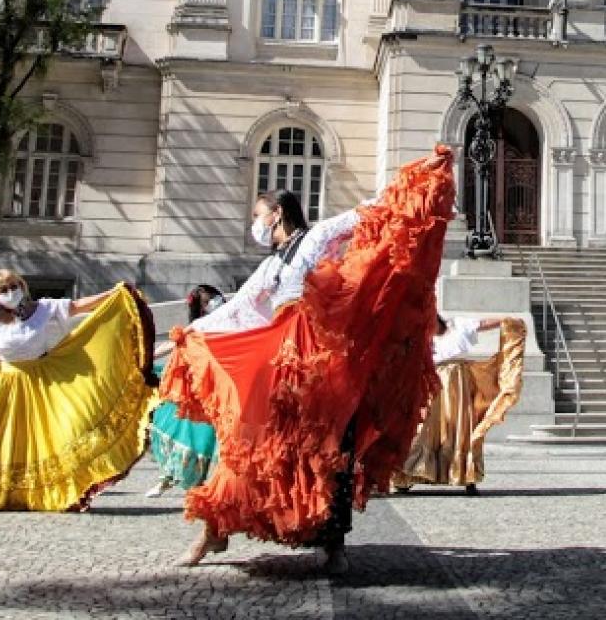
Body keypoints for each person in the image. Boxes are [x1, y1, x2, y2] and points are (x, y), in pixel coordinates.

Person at [163, 148, 455, 573]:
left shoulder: (315, 239)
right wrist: (189, 333)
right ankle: (214, 530)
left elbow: (367, 211)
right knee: (248, 442)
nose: (257, 222)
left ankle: (333, 545)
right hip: (280, 353)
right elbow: (239, 307)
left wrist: (418, 177)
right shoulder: (268, 266)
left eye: (260, 214)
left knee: (329, 443)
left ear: (277, 214)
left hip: (319, 354)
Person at [0, 271, 157, 512]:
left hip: (40, 383)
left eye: (14, 286)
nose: (10, 292)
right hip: (3, 386)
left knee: (53, 436)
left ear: (22, 285)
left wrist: (114, 293)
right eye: (3, 290)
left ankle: (49, 492)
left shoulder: (44, 308)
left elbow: (77, 306)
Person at [393, 315, 525, 495]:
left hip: (459, 382)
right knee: (426, 428)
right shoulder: (421, 336)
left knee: (462, 426)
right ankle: (408, 474)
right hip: (434, 380)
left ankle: (467, 475)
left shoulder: (458, 325)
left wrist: (508, 320)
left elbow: (483, 323)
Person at [144, 284, 225, 498]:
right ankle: (167, 479)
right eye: (207, 302)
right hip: (199, 391)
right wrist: (148, 357)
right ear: (200, 307)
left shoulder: (233, 318)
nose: (214, 303)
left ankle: (210, 488)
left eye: (214, 298)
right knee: (188, 434)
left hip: (222, 390)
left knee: (212, 442)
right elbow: (175, 343)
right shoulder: (199, 326)